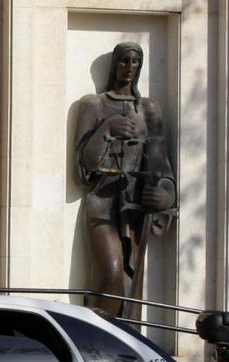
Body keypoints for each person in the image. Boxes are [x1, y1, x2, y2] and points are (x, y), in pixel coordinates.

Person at [74, 42, 176, 318]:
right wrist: (106, 129)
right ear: (114, 65)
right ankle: (99, 337)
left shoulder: (149, 109)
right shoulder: (92, 105)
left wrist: (164, 194)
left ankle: (127, 342)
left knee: (131, 283)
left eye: (135, 62)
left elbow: (159, 164)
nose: (129, 68)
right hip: (102, 202)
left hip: (133, 204)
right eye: (123, 61)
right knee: (111, 272)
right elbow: (84, 165)